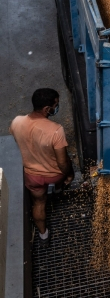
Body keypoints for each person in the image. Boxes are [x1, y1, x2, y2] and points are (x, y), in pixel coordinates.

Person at [10, 88, 74, 246]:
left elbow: (15, 142)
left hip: (32, 177)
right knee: (61, 177)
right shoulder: (56, 130)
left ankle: (43, 235)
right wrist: (69, 175)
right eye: (56, 105)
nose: (56, 108)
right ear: (47, 109)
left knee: (39, 203)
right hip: (54, 175)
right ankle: (57, 190)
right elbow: (62, 163)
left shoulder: (17, 122)